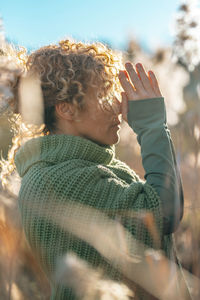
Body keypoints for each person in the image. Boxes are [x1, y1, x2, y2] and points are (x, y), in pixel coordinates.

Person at [1, 40, 187, 299]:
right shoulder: (60, 180)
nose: (118, 109)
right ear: (66, 108)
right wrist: (152, 125)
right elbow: (164, 212)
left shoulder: (75, 167)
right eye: (105, 95)